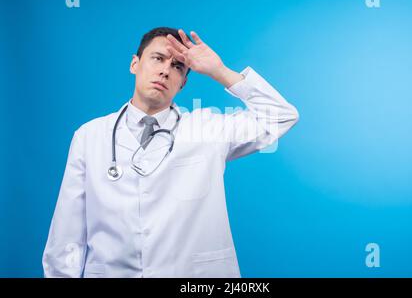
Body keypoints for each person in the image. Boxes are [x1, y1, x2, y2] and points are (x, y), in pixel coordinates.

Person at [42, 26, 299, 278]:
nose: (165, 71)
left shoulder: (209, 128)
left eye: (177, 67)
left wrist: (220, 72)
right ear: (135, 64)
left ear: (183, 83)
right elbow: (67, 233)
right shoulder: (89, 136)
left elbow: (281, 117)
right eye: (158, 59)